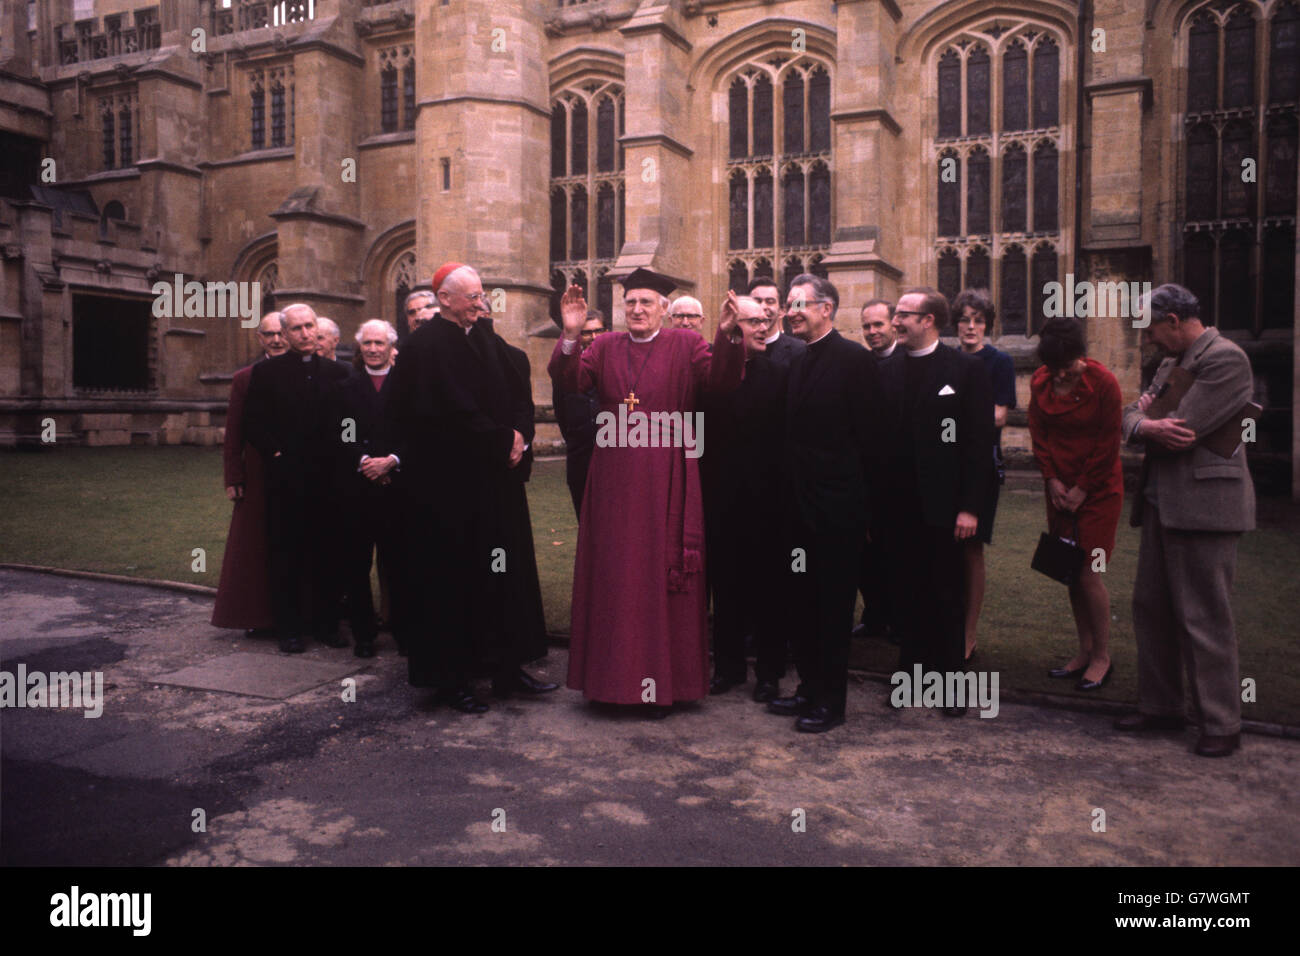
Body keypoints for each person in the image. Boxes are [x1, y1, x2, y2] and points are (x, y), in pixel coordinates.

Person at [549, 268, 743, 712]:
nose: (637, 309)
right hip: (613, 476)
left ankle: (663, 686)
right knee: (616, 573)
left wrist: (730, 337)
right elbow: (569, 380)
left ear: (664, 309)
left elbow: (721, 382)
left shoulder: (687, 343)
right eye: (630, 302)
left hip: (667, 472)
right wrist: (571, 334)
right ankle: (611, 684)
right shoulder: (605, 346)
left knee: (659, 572)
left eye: (646, 303)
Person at [387, 262, 556, 712]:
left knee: (505, 577)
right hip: (447, 492)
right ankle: (451, 679)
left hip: (495, 485)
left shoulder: (486, 338)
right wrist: (504, 440)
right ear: (445, 298)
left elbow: (517, 388)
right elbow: (449, 411)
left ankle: (507, 667)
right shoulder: (424, 348)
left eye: (482, 295)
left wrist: (521, 434)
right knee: (450, 584)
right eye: (473, 296)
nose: (482, 303)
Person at [1116, 283, 1256, 758]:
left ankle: (1221, 722)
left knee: (1204, 616)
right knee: (1150, 606)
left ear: (1173, 321)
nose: (1149, 339)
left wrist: (1148, 424)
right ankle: (1162, 707)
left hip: (1204, 505)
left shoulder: (1225, 359)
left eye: (1153, 328)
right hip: (1161, 500)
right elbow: (1131, 416)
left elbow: (1184, 430)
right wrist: (1145, 423)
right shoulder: (1172, 363)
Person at [765, 274, 883, 732]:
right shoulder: (797, 361)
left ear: (827, 309)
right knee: (802, 603)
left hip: (838, 513)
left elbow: (874, 442)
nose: (791, 311)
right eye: (789, 304)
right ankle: (808, 689)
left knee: (832, 609)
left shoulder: (855, 361)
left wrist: (866, 511)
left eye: (800, 305)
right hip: (797, 514)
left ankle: (831, 702)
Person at [882, 287, 993, 716]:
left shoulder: (965, 370)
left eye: (902, 314)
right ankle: (910, 678)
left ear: (928, 320)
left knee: (946, 595)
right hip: (898, 506)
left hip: (946, 508)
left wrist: (970, 507)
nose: (895, 321)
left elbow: (978, 444)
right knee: (905, 596)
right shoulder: (887, 369)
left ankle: (950, 686)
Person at [243, 303, 354, 654]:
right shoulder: (267, 373)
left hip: (329, 480)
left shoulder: (339, 373)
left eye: (309, 327)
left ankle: (327, 624)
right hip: (287, 481)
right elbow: (254, 423)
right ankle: (288, 628)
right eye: (296, 329)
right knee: (287, 555)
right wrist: (277, 456)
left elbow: (350, 423)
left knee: (330, 554)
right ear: (285, 333)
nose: (305, 334)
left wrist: (345, 457)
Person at [703, 296, 797, 702]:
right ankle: (727, 667)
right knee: (726, 588)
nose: (762, 328)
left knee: (770, 592)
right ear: (731, 325)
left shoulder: (781, 374)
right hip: (721, 498)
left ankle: (770, 673)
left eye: (766, 321)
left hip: (769, 499)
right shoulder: (709, 377)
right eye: (752, 321)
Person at [1028, 317, 1123, 692]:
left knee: (1089, 569)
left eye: (1068, 366)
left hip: (1099, 492)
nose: (1062, 374)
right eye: (1056, 368)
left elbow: (1108, 441)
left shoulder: (1105, 384)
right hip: (1059, 492)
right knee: (1069, 569)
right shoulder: (1041, 381)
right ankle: (1083, 651)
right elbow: (1039, 433)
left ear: (1081, 356)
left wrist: (1083, 488)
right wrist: (1051, 480)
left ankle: (1102, 656)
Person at [952, 288, 1016, 663]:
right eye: (965, 319)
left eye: (978, 321)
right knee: (944, 550)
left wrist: (953, 419)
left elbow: (998, 416)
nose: (971, 327)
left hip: (980, 466)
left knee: (971, 548)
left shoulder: (1000, 362)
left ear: (987, 326)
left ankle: (968, 635)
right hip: (946, 467)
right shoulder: (947, 359)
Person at [212, 312, 286, 633]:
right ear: (260, 339)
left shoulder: (306, 373)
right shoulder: (245, 378)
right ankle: (256, 617)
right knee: (254, 544)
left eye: (281, 333)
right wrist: (233, 478)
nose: (276, 339)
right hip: (257, 471)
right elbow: (234, 432)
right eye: (268, 334)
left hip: (299, 470)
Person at [336, 319, 404, 658]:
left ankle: (406, 632)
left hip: (398, 488)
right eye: (368, 344)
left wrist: (391, 460)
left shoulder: (409, 386)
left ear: (392, 347)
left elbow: (416, 431)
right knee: (357, 564)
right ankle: (364, 633)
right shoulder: (348, 387)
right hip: (359, 490)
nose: (374, 349)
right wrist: (365, 461)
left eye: (380, 343)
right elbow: (344, 433)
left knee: (400, 563)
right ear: (360, 348)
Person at [854, 298, 901, 642]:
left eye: (878, 325)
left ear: (894, 324)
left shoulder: (907, 363)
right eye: (867, 326)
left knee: (894, 552)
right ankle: (875, 615)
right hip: (865, 473)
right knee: (865, 553)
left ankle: (899, 620)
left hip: (898, 475)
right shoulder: (862, 364)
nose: (872, 332)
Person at [552, 309, 605, 517]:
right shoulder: (565, 369)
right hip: (580, 456)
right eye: (586, 332)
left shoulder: (614, 364)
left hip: (609, 453)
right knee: (584, 517)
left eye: (598, 331)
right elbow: (561, 412)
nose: (593, 337)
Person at [746, 277, 805, 371]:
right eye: (757, 301)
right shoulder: (738, 350)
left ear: (782, 310)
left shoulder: (799, 351)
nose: (762, 307)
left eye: (770, 302)